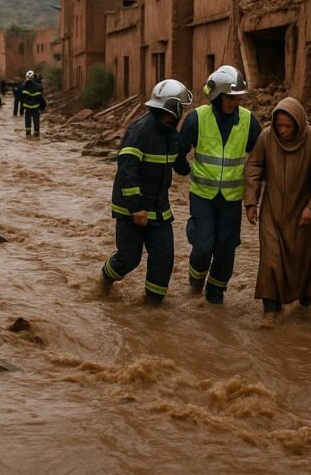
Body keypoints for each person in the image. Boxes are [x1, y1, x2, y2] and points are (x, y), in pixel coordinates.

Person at [102, 79, 192, 304]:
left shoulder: (172, 134)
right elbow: (127, 171)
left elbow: (181, 166)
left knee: (164, 257)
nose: (182, 111)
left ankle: (153, 306)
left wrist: (191, 152)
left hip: (159, 208)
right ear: (173, 108)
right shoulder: (139, 131)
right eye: (181, 107)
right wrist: (136, 207)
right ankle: (104, 280)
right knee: (129, 259)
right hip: (131, 209)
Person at [179, 65, 261, 303]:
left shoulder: (248, 121)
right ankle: (196, 284)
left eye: (238, 97)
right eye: (230, 97)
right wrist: (186, 171)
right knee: (203, 245)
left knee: (226, 248)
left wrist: (252, 198)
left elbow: (258, 159)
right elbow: (178, 151)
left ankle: (215, 296)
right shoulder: (196, 118)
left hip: (232, 198)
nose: (235, 102)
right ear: (216, 96)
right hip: (202, 195)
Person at [245, 97, 311, 320]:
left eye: (288, 126)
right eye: (279, 125)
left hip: (303, 212)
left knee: (302, 260)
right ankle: (270, 311)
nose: (282, 130)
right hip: (272, 211)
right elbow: (254, 165)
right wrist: (251, 201)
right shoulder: (267, 137)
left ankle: (303, 303)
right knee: (270, 261)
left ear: (299, 123)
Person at [20, 69, 46, 138]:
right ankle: (36, 135)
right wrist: (42, 107)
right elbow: (41, 98)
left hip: (27, 108)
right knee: (36, 121)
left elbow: (21, 97)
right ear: (33, 77)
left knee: (27, 122)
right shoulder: (39, 86)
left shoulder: (23, 86)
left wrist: (22, 107)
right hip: (35, 107)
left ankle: (28, 135)